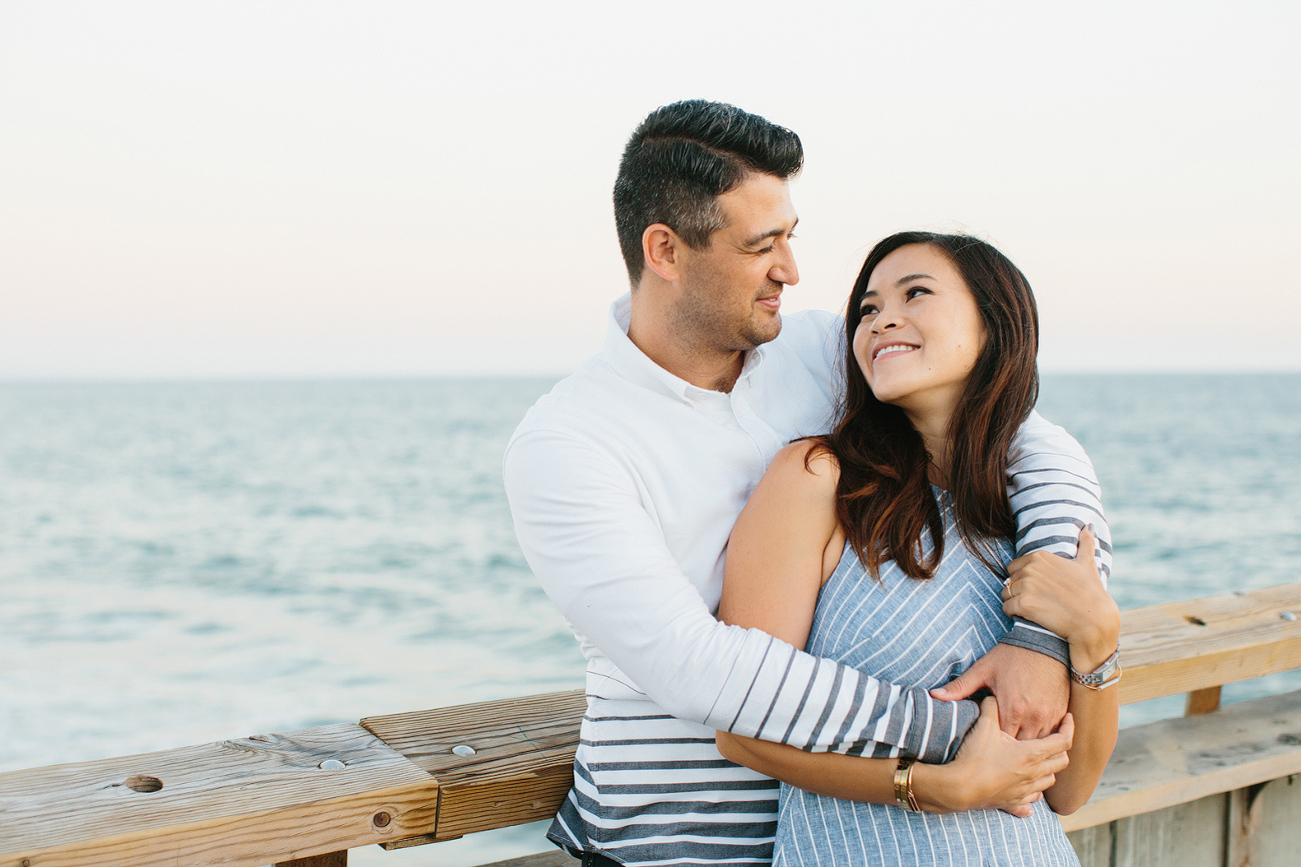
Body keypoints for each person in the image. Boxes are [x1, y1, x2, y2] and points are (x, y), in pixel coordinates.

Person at [503, 100, 1110, 867]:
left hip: (855, 833)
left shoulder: (824, 349)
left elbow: (1027, 440)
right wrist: (969, 734)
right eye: (762, 245)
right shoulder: (568, 443)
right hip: (680, 839)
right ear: (665, 249)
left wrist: (1038, 639)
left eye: (789, 236)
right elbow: (698, 667)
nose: (790, 269)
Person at [715, 232, 1120, 865]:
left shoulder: (1030, 508)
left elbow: (1069, 790)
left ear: (995, 325)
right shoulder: (818, 480)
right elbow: (741, 729)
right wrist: (928, 788)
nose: (882, 320)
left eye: (916, 293)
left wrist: (1097, 638)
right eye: (868, 309)